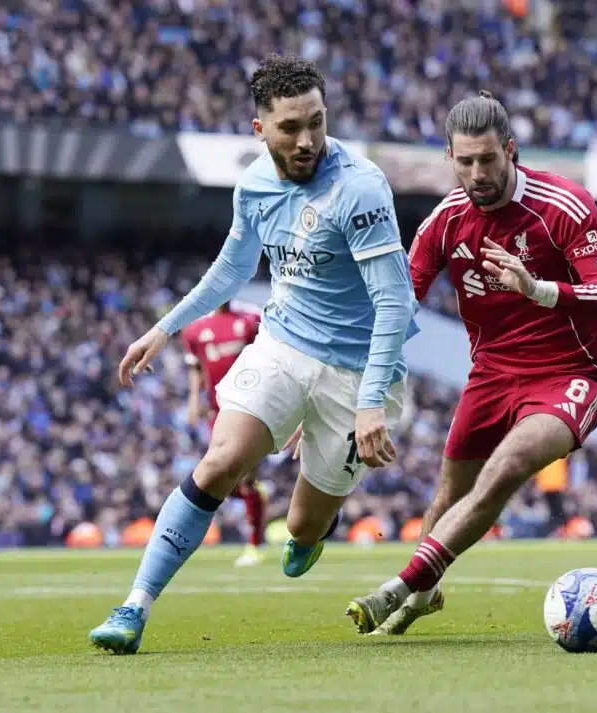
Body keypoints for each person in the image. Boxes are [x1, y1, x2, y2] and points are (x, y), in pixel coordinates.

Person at [88, 54, 418, 654]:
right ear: (259, 129)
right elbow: (232, 268)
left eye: (316, 122)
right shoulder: (255, 186)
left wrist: (371, 402)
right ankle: (134, 606)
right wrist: (166, 328)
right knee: (220, 462)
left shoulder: (361, 188)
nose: (307, 140)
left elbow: (394, 303)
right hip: (284, 344)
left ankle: (312, 529)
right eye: (290, 127)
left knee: (302, 526)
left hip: (357, 371)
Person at [345, 91, 597, 635]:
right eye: (466, 162)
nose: (477, 174)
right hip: (491, 376)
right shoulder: (446, 220)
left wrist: (538, 289)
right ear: (449, 158)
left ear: (511, 150)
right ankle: (422, 596)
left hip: (571, 372)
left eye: (488, 159)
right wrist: (360, 394)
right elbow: (397, 306)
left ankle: (397, 588)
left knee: (507, 465)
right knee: (446, 500)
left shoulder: (564, 205)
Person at [181, 302, 267, 567]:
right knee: (222, 479)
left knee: (246, 477)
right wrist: (193, 401)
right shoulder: (195, 330)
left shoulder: (250, 320)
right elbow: (196, 368)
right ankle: (257, 498)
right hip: (217, 412)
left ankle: (254, 545)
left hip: (249, 407)